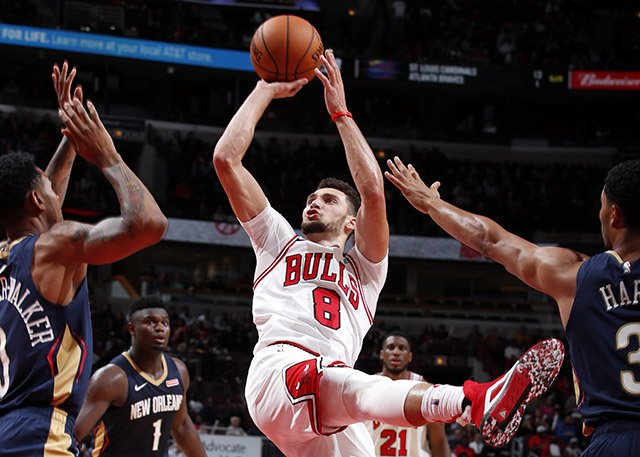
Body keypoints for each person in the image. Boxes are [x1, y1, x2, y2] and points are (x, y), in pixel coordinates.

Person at [213, 48, 564, 456]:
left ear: (352, 222)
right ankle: (473, 400)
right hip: (281, 372)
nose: (313, 203)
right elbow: (226, 159)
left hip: (331, 394)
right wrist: (264, 89)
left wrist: (341, 114)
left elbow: (373, 192)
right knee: (359, 389)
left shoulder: (366, 271)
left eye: (327, 199)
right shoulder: (277, 242)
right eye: (310, 199)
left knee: (358, 411)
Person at [384, 157, 640, 456]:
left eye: (601, 207)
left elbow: (490, 240)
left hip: (613, 440)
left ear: (614, 215)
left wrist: (431, 204)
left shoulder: (576, 276)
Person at [0, 62, 167, 456]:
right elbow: (149, 225)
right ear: (37, 200)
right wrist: (108, 156)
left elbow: (45, 205)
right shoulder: (54, 246)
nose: (57, 193)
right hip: (40, 434)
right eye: (48, 190)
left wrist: (71, 138)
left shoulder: (12, 255)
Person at [74, 296, 206, 457]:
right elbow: (74, 436)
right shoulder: (111, 379)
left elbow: (181, 425)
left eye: (165, 323)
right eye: (150, 322)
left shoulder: (178, 371)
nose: (159, 328)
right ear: (132, 329)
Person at [366, 331, 451, 457]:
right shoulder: (367, 387)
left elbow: (439, 441)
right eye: (390, 347)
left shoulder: (425, 390)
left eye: (402, 348)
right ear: (381, 354)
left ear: (410, 356)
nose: (396, 352)